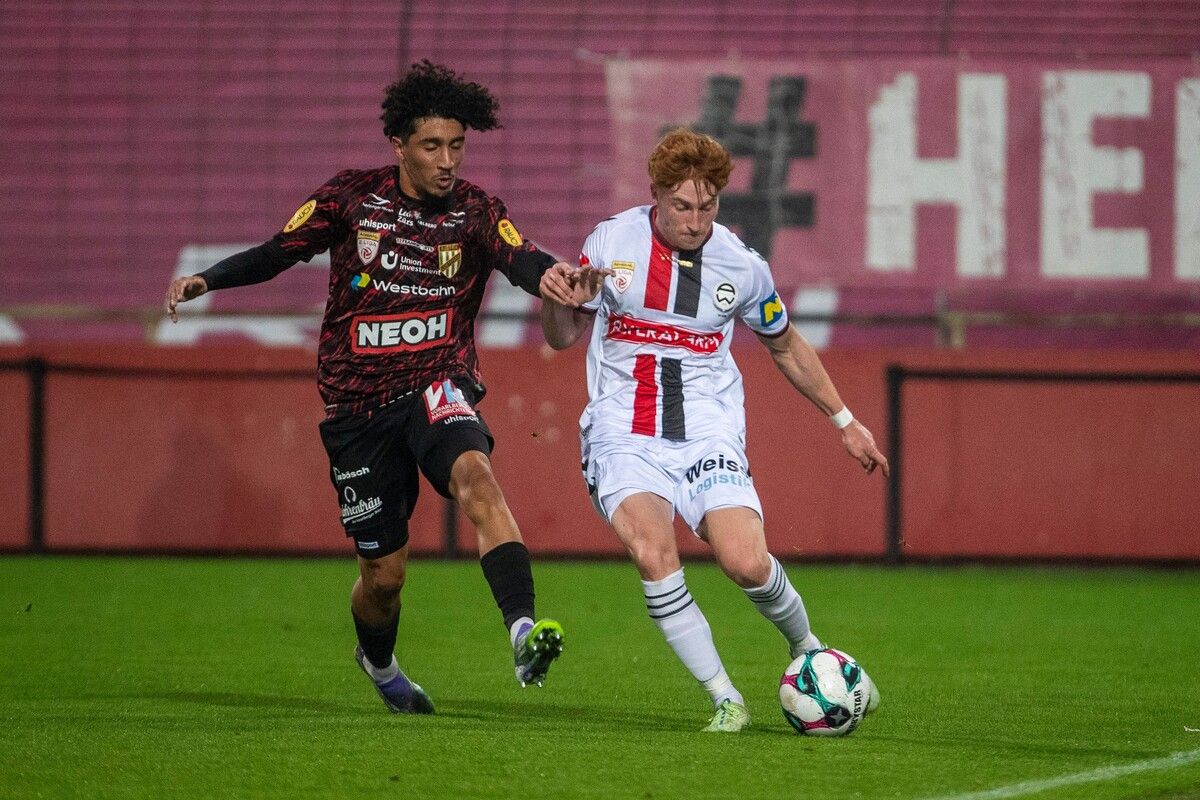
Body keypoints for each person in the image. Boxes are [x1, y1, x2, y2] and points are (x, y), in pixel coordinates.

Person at [165, 61, 566, 714]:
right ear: (399, 146)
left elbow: (523, 256)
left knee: (476, 477)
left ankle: (522, 629)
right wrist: (205, 280)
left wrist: (556, 276)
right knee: (384, 578)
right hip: (356, 407)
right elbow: (277, 250)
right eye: (432, 146)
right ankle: (378, 663)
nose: (446, 161)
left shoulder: (475, 211)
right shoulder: (353, 199)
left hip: (436, 382)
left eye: (456, 146)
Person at [538, 128, 887, 732]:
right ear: (655, 195)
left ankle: (809, 649)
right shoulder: (611, 242)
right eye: (682, 206)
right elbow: (562, 335)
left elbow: (786, 345)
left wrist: (845, 421)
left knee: (746, 563)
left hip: (707, 431)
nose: (695, 220)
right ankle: (726, 698)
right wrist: (557, 299)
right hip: (623, 433)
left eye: (708, 206)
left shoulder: (741, 265)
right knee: (653, 550)